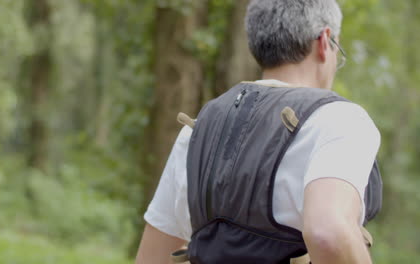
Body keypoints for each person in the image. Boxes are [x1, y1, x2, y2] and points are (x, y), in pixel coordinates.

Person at [136, 0, 382, 263]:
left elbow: (151, 258)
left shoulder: (197, 131)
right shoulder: (338, 120)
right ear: (325, 41)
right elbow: (329, 233)